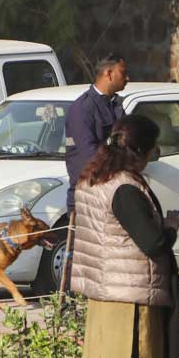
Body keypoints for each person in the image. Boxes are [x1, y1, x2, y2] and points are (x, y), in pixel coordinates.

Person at [71, 114, 179, 358]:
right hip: (127, 291)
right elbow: (150, 242)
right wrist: (170, 228)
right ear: (140, 151)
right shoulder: (123, 188)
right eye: (153, 149)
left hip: (108, 288)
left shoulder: (93, 178)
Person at [59, 54, 128, 292]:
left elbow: (128, 141)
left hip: (114, 192)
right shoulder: (82, 108)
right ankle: (68, 304)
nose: (127, 78)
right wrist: (119, 158)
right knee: (80, 256)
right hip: (88, 192)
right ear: (108, 73)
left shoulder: (116, 106)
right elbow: (89, 153)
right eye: (123, 72)